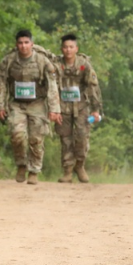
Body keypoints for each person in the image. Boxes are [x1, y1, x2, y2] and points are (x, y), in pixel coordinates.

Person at [0, 30, 61, 185]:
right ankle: (21, 165)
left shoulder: (43, 61)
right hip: (17, 103)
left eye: (26, 43)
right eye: (20, 43)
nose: (23, 46)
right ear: (16, 45)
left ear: (32, 44)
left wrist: (54, 109)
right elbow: (1, 84)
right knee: (17, 135)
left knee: (36, 138)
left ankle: (34, 171)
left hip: (37, 103)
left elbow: (52, 86)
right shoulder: (9, 61)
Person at [53, 33, 102, 183]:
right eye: (65, 47)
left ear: (76, 48)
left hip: (81, 107)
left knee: (82, 136)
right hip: (62, 107)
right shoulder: (56, 64)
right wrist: (54, 109)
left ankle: (80, 165)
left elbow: (93, 86)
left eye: (71, 47)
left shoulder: (84, 64)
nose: (68, 50)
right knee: (65, 139)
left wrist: (96, 109)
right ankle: (67, 170)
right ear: (62, 49)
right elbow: (50, 87)